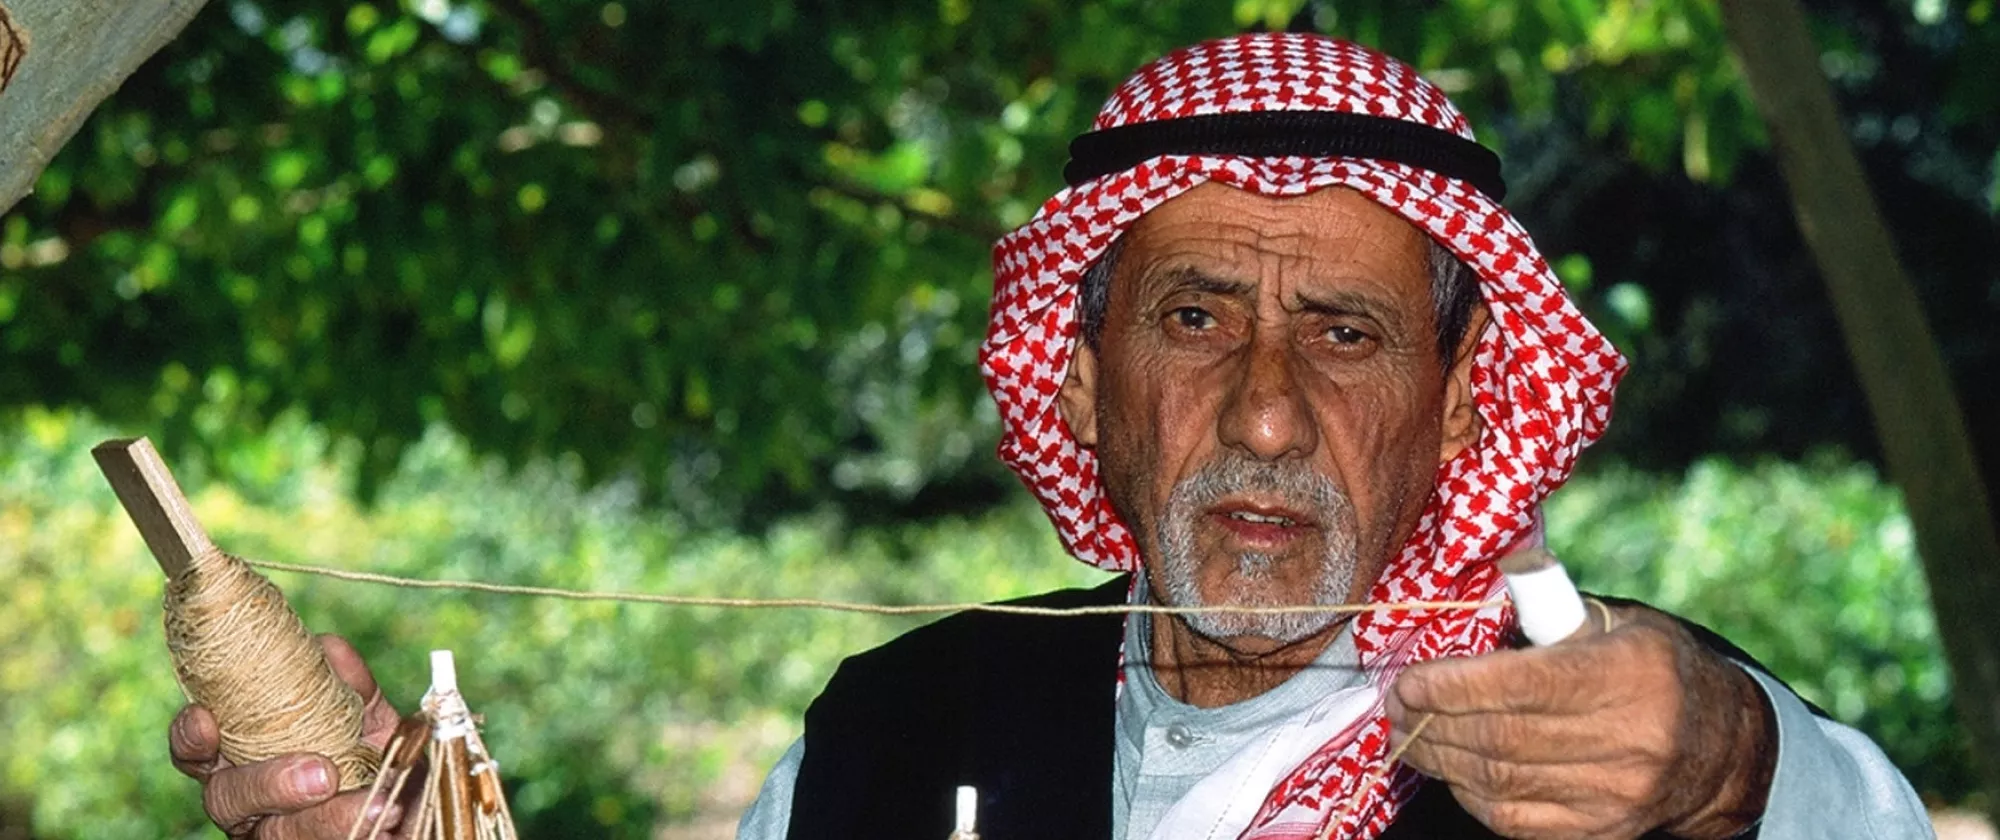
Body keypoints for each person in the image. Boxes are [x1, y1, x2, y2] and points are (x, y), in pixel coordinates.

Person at [170, 33, 1932, 840]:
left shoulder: (1610, 726)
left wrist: (1724, 772)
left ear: (1462, 402)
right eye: (1192, 320)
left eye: (1345, 332)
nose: (1262, 409)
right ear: (1081, 384)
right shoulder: (898, 727)